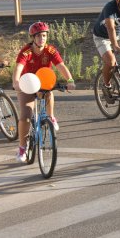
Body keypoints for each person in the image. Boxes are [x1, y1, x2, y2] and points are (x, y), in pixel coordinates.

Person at [12, 22, 75, 163]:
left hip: (43, 82)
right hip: (27, 84)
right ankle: (22, 147)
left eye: (44, 36)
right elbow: (18, 68)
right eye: (39, 36)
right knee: (25, 117)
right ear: (33, 38)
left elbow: (61, 66)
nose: (42, 39)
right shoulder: (26, 51)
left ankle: (51, 117)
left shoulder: (50, 50)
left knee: (48, 91)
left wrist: (70, 80)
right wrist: (16, 82)